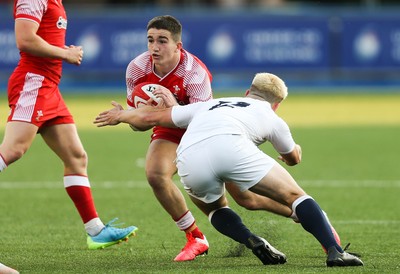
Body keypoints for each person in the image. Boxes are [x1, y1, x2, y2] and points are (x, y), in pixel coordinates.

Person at [94, 72, 364, 267]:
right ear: (277, 103)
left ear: (248, 92)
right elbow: (292, 159)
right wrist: (295, 152)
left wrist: (120, 116)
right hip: (232, 149)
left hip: (188, 156)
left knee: (215, 209)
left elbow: (153, 117)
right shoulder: (272, 116)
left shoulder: (211, 104)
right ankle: (335, 251)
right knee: (297, 197)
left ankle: (251, 240)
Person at [0, 0, 137, 252]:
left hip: (49, 86)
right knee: (14, 149)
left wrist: (62, 51)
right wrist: (65, 53)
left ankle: (95, 231)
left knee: (76, 157)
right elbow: (25, 40)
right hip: (34, 83)